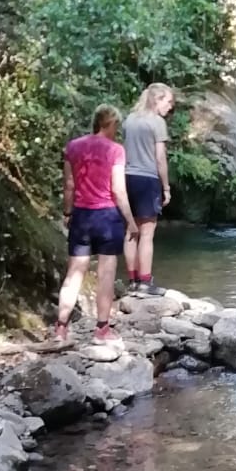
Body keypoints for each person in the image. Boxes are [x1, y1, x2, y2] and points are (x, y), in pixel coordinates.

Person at [54, 104, 138, 343]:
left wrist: (67, 213)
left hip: (81, 215)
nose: (117, 131)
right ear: (108, 124)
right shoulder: (116, 150)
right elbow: (118, 191)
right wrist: (131, 222)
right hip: (107, 217)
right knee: (106, 274)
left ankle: (61, 329)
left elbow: (69, 185)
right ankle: (102, 330)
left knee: (74, 273)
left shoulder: (73, 147)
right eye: (116, 126)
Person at [123, 83, 175, 296]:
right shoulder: (157, 122)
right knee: (146, 233)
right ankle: (145, 282)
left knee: (130, 231)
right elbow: (160, 158)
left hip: (127, 178)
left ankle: (132, 280)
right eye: (168, 101)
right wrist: (166, 187)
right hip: (148, 179)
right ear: (157, 99)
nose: (170, 107)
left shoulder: (129, 120)